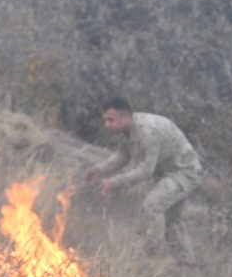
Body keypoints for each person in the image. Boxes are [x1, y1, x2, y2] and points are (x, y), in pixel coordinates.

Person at [85, 97, 203, 267]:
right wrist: (98, 170)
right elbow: (122, 156)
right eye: (105, 120)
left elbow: (146, 170)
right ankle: (188, 264)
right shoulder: (128, 130)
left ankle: (151, 259)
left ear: (125, 117)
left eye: (110, 120)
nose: (106, 125)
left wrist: (112, 182)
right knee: (172, 219)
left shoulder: (148, 132)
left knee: (153, 206)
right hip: (169, 173)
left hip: (185, 172)